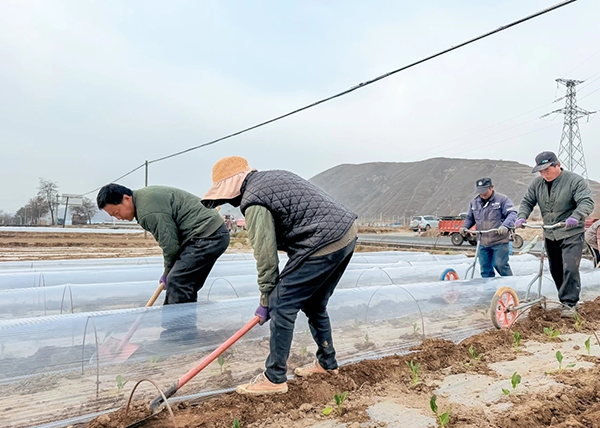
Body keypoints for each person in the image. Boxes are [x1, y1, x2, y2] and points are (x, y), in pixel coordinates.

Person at [202, 156, 358, 396]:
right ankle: (327, 363)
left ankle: (274, 378)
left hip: (322, 240)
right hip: (345, 233)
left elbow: (265, 255)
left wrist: (267, 298)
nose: (231, 202)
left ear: (233, 186)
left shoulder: (254, 201)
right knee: (315, 304)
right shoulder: (272, 178)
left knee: (282, 304)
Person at [96, 183, 230, 340]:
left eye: (117, 212)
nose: (119, 218)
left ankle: (175, 336)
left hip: (208, 235)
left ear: (126, 198)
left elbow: (170, 245)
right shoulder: (144, 200)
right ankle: (185, 333)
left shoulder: (147, 211)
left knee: (177, 280)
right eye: (114, 216)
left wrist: (167, 273)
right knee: (184, 283)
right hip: (208, 234)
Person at [516, 151, 594, 317]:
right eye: (541, 171)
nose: (544, 174)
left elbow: (586, 202)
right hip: (551, 232)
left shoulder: (574, 181)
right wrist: (522, 216)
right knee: (556, 269)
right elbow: (527, 201)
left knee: (570, 268)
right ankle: (564, 300)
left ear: (557, 165)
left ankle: (570, 303)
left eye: (547, 170)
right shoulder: (537, 184)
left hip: (571, 232)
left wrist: (576, 216)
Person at [460, 177, 517, 277]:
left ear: (491, 188)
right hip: (482, 242)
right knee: (485, 268)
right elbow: (470, 218)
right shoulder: (474, 202)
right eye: (480, 191)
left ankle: (510, 284)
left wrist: (505, 226)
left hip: (499, 241)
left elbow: (512, 213)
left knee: (500, 264)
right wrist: (465, 227)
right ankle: (488, 286)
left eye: (484, 191)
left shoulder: (502, 200)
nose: (482, 194)